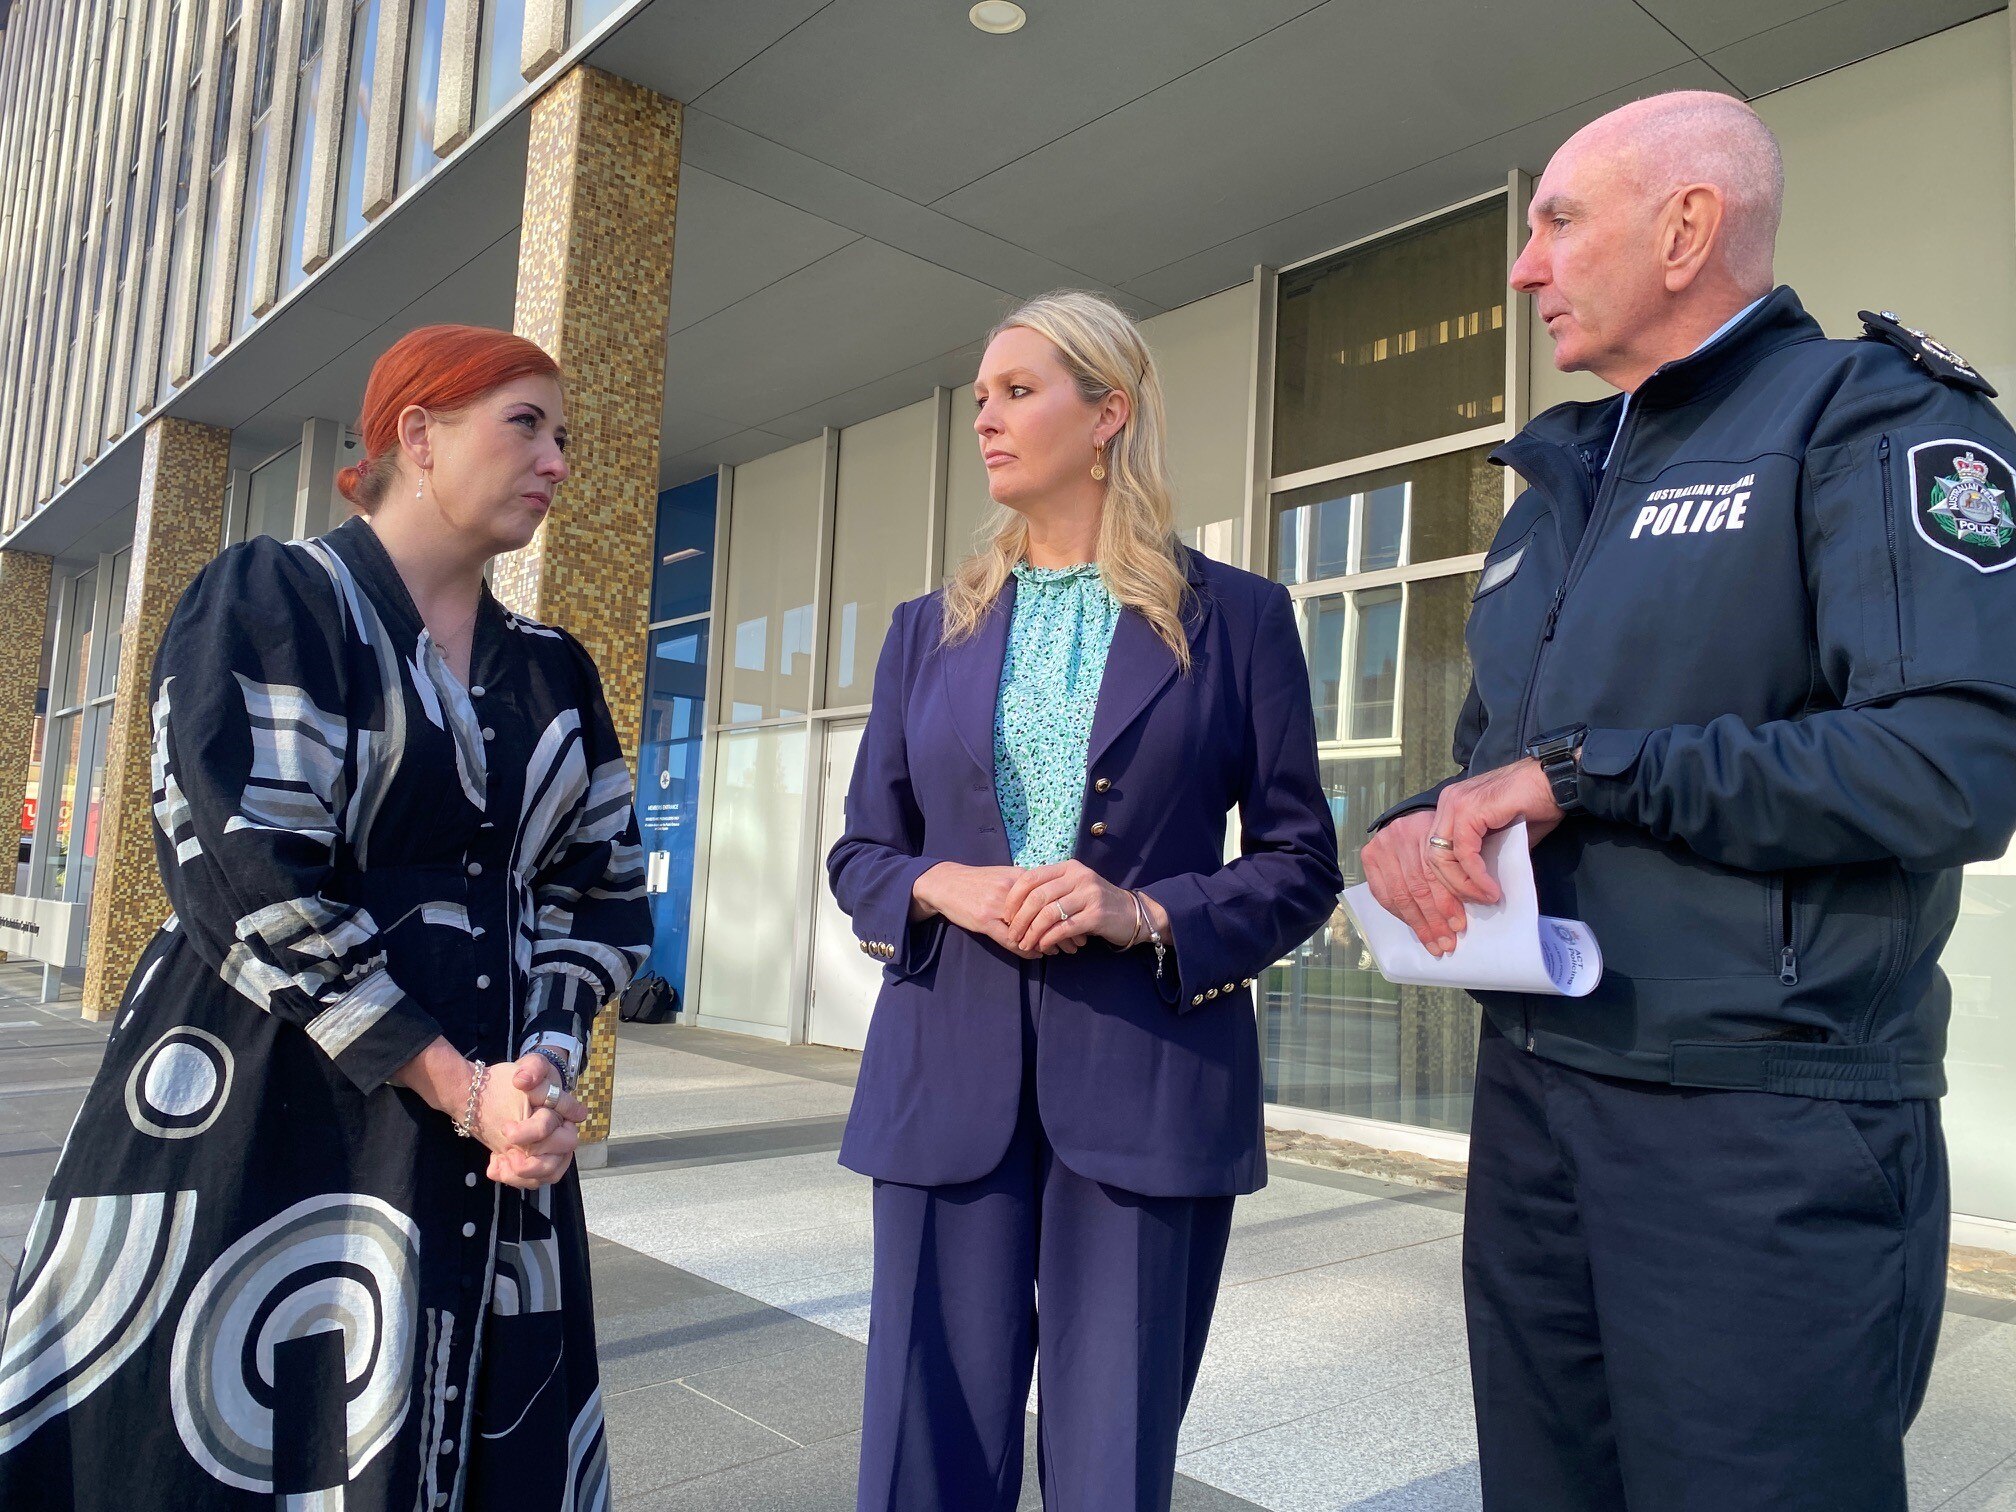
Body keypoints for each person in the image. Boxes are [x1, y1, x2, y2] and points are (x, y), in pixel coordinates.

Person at [1359, 92, 2016, 1511]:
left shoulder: (1874, 413)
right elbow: (1505, 762)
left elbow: (1946, 768)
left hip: (1760, 1131)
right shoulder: (1556, 481)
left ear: (1686, 228)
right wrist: (1419, 821)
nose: (1524, 265)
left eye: (1557, 222)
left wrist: (1596, 770)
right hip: (1536, 1110)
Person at [0, 325, 652, 1510]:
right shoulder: (275, 596)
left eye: (565, 435)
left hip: (501, 1125)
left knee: (471, 1435)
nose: (559, 458)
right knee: (246, 1425)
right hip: (270, 1089)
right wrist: (456, 1081)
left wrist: (544, 1074)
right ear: (418, 432)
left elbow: (600, 888)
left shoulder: (557, 670)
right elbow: (244, 866)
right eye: (526, 424)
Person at [829, 290, 1342, 1511]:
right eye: (981, 402)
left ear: (1108, 413)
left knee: (1113, 1463)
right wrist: (939, 883)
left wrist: (1146, 914)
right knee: (924, 1456)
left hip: (1149, 1082)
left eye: (1019, 393)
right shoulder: (924, 633)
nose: (988, 422)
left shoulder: (1241, 621)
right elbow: (862, 854)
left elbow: (1300, 862)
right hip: (947, 1082)